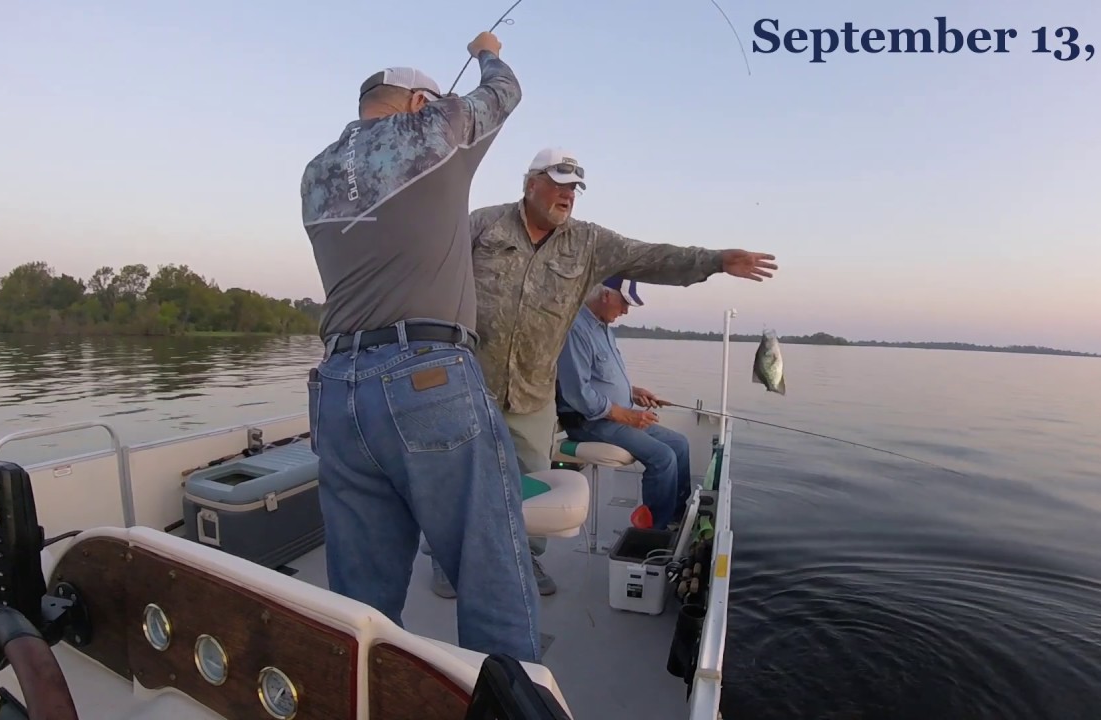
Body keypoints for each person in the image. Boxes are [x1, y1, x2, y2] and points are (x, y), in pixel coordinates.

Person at [427, 146, 777, 598]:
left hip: (533, 397)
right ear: (530, 182)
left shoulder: (589, 243)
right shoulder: (482, 224)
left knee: (529, 485)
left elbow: (651, 257)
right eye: (557, 183)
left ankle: (523, 559)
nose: (567, 194)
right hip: (467, 384)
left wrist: (715, 260)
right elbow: (431, 270)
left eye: (574, 188)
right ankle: (443, 559)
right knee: (455, 477)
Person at [299, 31, 543, 663]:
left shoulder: (315, 172)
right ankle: (510, 699)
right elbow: (505, 91)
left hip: (336, 394)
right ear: (414, 102)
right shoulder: (434, 129)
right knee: (492, 572)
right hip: (426, 381)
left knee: (358, 600)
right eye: (433, 99)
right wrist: (488, 50)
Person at [555, 277, 691, 530]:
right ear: (606, 295)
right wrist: (627, 415)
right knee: (663, 457)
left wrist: (633, 392)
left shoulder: (604, 327)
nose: (626, 311)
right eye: (625, 303)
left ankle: (677, 517)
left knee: (680, 444)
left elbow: (602, 377)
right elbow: (578, 394)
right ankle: (655, 532)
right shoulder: (576, 330)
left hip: (616, 415)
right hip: (589, 422)